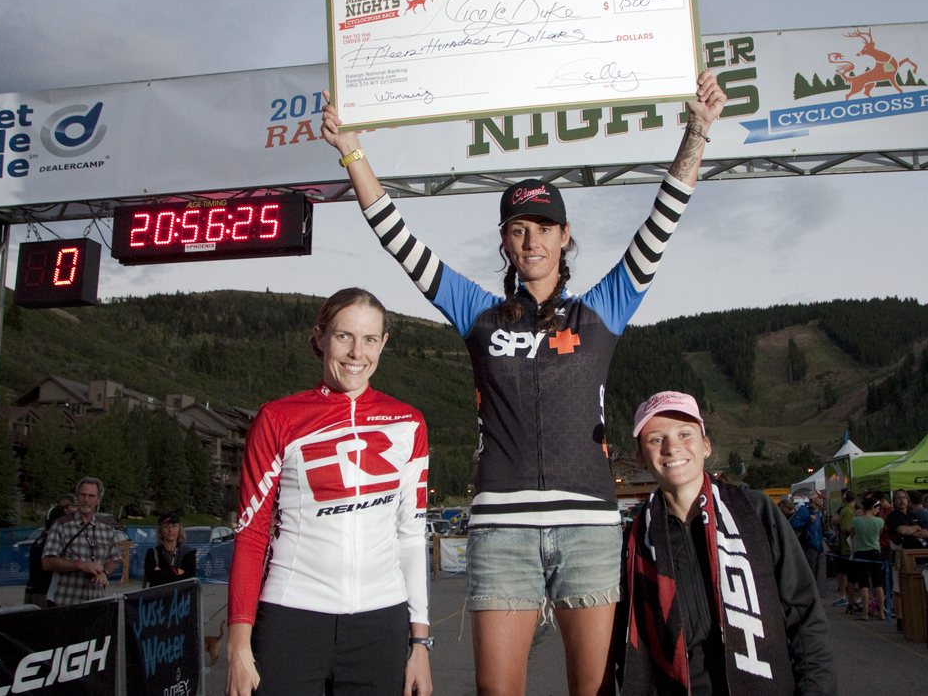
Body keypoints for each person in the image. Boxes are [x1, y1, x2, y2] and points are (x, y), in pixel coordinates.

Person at [322, 70, 727, 696]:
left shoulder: (600, 314)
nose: (531, 238)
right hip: (502, 531)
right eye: (518, 229)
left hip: (590, 529)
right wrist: (352, 151)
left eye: (543, 226)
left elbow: (662, 220)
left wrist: (696, 133)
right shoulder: (477, 313)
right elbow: (399, 239)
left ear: (565, 238)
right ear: (507, 243)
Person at [227, 288, 431, 696]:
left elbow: (411, 536)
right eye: (344, 336)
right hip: (292, 618)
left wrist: (420, 643)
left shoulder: (408, 423)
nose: (357, 353)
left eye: (370, 339)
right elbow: (251, 535)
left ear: (383, 343)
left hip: (380, 624)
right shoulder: (278, 418)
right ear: (320, 337)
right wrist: (237, 642)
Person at [615, 391, 835, 695]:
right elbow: (622, 645)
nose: (671, 447)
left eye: (684, 434)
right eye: (655, 439)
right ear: (641, 456)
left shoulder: (754, 511)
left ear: (706, 446)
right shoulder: (635, 543)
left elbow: (804, 612)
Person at [41, 476, 120, 606]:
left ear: (98, 499)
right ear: (77, 497)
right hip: (64, 602)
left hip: (95, 602)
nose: (86, 500)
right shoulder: (61, 525)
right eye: (83, 495)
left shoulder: (107, 528)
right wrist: (79, 565)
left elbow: (113, 559)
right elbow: (47, 563)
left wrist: (105, 573)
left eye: (91, 496)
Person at [849, 496, 886, 621]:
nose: (878, 511)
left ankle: (865, 612)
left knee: (863, 583)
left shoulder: (856, 520)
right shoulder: (880, 521)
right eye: (877, 508)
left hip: (860, 553)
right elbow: (879, 535)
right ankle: (881, 612)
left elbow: (852, 535)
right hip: (875, 552)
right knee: (878, 583)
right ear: (874, 507)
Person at [144, 512, 197, 587]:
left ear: (179, 529)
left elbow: (189, 577)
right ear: (160, 530)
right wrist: (176, 572)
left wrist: (160, 573)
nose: (170, 530)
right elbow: (151, 577)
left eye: (174, 526)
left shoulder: (188, 552)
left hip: (180, 597)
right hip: (158, 597)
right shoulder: (153, 552)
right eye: (166, 527)